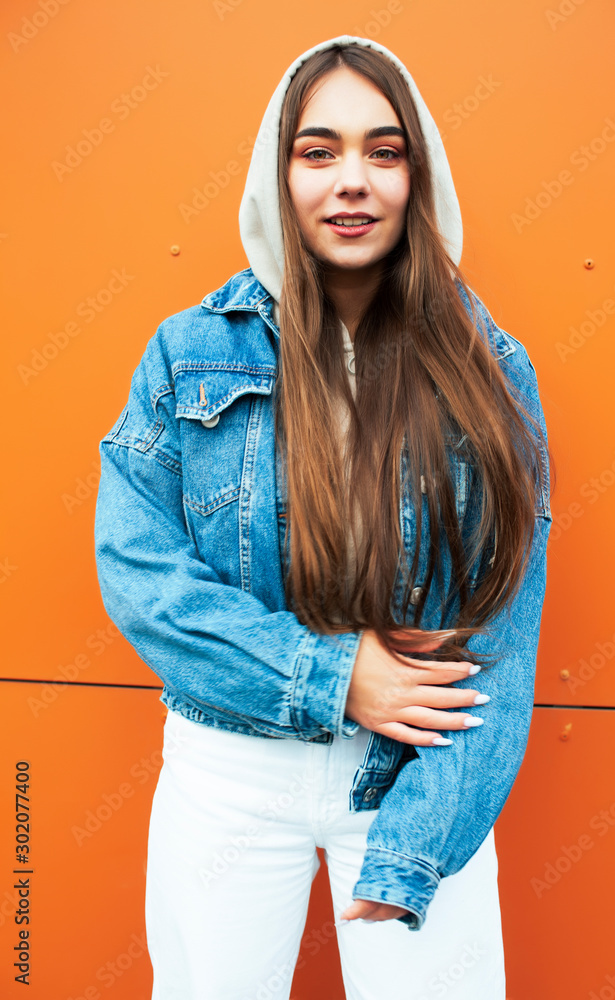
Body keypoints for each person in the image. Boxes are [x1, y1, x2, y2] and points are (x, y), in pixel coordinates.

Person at [94, 35, 552, 1000]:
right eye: (319, 151)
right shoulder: (187, 355)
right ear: (279, 171)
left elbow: (503, 633)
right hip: (226, 771)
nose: (352, 181)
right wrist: (334, 676)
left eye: (383, 153)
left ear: (417, 177)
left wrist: (418, 847)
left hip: (413, 771)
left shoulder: (491, 370)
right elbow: (139, 573)